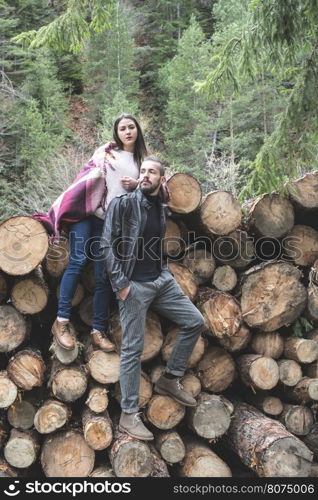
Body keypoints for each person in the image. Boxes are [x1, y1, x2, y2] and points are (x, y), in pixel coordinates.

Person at [101, 155, 205, 441]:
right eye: (142, 171)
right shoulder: (121, 204)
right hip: (133, 285)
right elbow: (106, 244)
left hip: (160, 280)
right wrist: (121, 284)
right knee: (133, 348)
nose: (146, 175)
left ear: (161, 178)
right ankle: (128, 414)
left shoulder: (160, 206)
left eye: (152, 172)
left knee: (195, 321)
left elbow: (156, 241)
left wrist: (163, 273)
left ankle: (169, 380)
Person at [34, 114, 148, 352]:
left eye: (131, 127)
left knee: (103, 275)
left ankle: (98, 329)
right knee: (77, 260)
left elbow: (155, 187)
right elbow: (87, 178)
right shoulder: (107, 152)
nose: (127, 132)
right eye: (122, 128)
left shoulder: (143, 161)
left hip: (110, 223)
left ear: (137, 130)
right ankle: (61, 321)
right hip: (86, 214)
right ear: (116, 133)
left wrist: (138, 185)